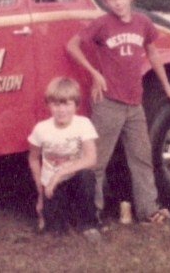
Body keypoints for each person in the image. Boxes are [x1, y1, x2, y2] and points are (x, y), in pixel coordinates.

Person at [66, 0, 170, 225]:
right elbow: (72, 46)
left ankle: (148, 210)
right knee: (96, 161)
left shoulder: (143, 23)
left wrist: (168, 87)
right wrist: (94, 73)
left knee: (142, 158)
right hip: (108, 103)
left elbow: (153, 55)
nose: (117, 2)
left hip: (135, 105)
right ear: (105, 0)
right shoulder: (102, 23)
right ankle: (91, 213)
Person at [27, 77, 101, 242]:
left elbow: (91, 158)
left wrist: (59, 174)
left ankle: (89, 225)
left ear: (76, 105)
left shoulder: (83, 124)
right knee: (53, 231)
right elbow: (33, 159)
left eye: (67, 104)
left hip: (74, 181)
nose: (61, 110)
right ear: (48, 105)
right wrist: (41, 194)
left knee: (86, 175)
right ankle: (58, 216)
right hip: (52, 187)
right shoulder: (41, 129)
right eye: (56, 104)